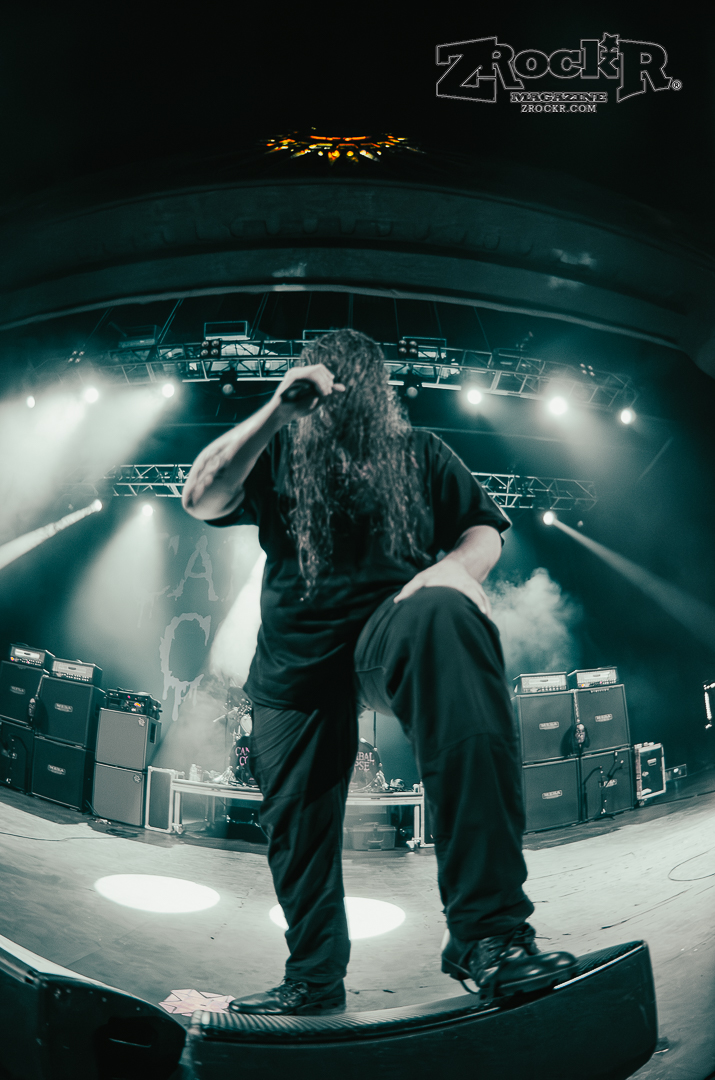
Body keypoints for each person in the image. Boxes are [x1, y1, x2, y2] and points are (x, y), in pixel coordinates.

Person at [181, 329, 577, 1015]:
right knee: (296, 829)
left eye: (348, 377)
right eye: (320, 377)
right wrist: (278, 408)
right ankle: (313, 979)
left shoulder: (420, 452)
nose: (335, 390)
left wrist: (455, 570)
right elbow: (201, 498)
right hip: (293, 667)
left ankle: (488, 934)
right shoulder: (277, 449)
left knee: (447, 614)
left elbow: (483, 529)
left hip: (387, 638)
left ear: (374, 387)